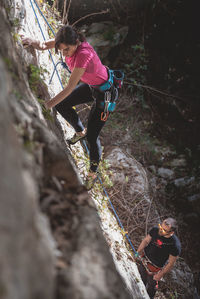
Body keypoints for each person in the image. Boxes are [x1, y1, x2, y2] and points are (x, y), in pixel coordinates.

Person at [22, 25, 117, 189]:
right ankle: (80, 131)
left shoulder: (83, 55)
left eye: (67, 49)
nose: (64, 53)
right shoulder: (65, 41)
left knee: (92, 137)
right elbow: (44, 45)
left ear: (77, 42)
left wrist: (46, 105)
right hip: (92, 86)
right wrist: (31, 41)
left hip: (105, 93)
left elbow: (69, 88)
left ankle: (92, 174)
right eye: (61, 50)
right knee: (62, 105)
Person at [136, 218, 181, 299]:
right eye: (160, 227)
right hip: (144, 259)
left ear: (171, 232)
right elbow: (146, 241)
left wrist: (160, 274)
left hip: (155, 268)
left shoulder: (174, 245)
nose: (160, 230)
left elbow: (170, 263)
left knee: (151, 287)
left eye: (164, 230)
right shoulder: (155, 230)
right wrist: (137, 252)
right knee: (141, 277)